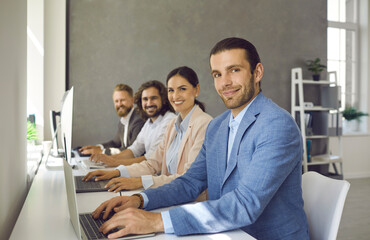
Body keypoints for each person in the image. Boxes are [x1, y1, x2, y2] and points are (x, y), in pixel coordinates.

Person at [91, 37, 309, 240]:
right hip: (224, 233)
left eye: (234, 70)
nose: (225, 82)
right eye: (217, 74)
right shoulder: (217, 126)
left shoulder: (277, 125)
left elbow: (245, 204)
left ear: (257, 72)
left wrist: (157, 221)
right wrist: (140, 200)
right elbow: (190, 182)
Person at [84, 66, 213, 194]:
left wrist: (139, 182)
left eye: (182, 89)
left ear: (197, 90)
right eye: (171, 90)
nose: (175, 96)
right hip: (167, 194)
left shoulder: (204, 124)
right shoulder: (173, 124)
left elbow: (188, 179)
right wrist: (115, 172)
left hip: (189, 203)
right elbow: (152, 164)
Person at [82, 80, 176, 175]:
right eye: (145, 99)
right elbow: (134, 149)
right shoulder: (149, 122)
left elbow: (150, 158)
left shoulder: (169, 121)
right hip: (151, 174)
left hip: (163, 178)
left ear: (163, 100)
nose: (149, 103)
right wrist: (108, 159)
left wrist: (115, 162)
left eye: (153, 98)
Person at [79, 84, 145, 155]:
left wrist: (102, 152)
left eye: (122, 100)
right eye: (116, 101)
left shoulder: (138, 120)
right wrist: (97, 147)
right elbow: (115, 143)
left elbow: (132, 150)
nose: (119, 104)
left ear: (132, 100)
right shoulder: (123, 121)